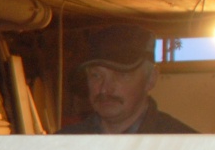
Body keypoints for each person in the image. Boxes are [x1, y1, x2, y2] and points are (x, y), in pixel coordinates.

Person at [58, 24, 196, 134]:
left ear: (151, 78)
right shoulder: (62, 145)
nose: (105, 89)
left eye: (121, 74)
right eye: (96, 75)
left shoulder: (185, 146)